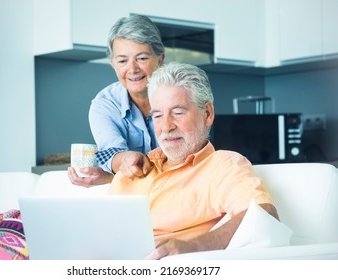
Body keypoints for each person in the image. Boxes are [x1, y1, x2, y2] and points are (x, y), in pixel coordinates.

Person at [108, 62, 279, 260]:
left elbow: (264, 216)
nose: (166, 126)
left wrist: (192, 247)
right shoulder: (131, 170)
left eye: (178, 112)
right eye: (158, 115)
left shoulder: (223, 165)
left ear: (207, 114)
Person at [68, 15, 165, 187]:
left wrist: (111, 178)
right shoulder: (104, 105)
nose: (133, 69)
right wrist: (126, 160)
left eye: (142, 58)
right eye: (122, 60)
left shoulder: (178, 96)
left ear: (160, 59)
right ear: (113, 64)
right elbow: (111, 152)